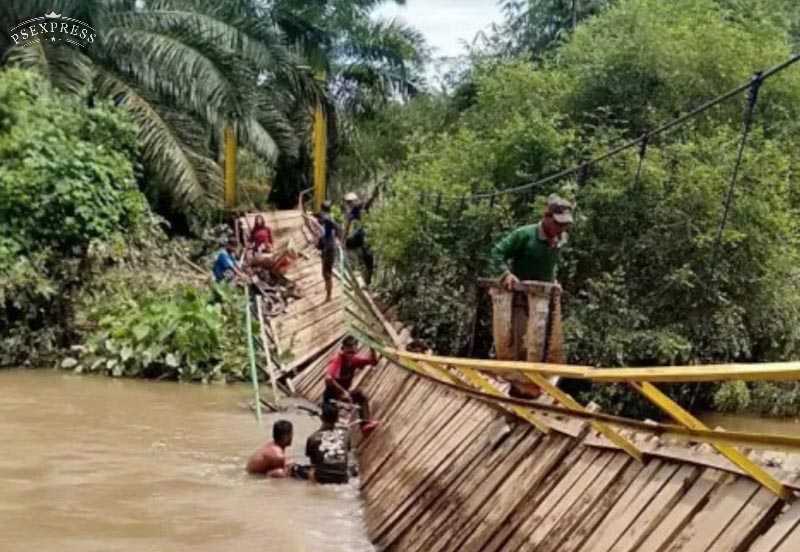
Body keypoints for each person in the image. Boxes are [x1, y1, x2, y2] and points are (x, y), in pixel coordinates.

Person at [488, 194, 574, 397]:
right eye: (557, 224)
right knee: (518, 342)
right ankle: (516, 388)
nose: (561, 229)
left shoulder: (560, 239)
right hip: (519, 299)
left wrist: (554, 280)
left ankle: (535, 387)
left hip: (544, 302)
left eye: (564, 226)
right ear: (546, 217)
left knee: (542, 344)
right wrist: (506, 274)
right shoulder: (524, 235)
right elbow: (496, 253)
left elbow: (550, 264)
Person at [302, 402, 351, 484]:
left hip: (323, 478)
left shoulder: (312, 438)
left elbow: (313, 466)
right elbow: (346, 455)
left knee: (295, 468)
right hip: (342, 478)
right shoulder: (346, 435)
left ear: (321, 417)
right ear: (337, 419)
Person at [323, 335, 378, 405]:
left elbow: (374, 362)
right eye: (348, 352)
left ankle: (367, 416)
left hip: (345, 394)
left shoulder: (354, 359)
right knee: (331, 412)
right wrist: (343, 392)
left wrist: (372, 347)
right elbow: (328, 378)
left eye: (352, 352)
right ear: (343, 349)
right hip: (332, 395)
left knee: (361, 396)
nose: (350, 355)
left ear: (356, 351)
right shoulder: (337, 359)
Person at [343, 190, 378, 287]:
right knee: (365, 259)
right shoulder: (352, 213)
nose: (349, 204)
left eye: (350, 202)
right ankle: (360, 276)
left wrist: (373, 196)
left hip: (366, 236)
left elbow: (367, 203)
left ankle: (367, 281)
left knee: (369, 260)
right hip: (361, 236)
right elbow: (347, 227)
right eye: (348, 202)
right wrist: (344, 239)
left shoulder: (360, 207)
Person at [316, 200, 341, 303]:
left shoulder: (328, 219)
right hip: (326, 247)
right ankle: (328, 292)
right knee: (325, 272)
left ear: (323, 210)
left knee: (327, 273)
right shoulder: (327, 218)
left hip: (329, 248)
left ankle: (329, 296)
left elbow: (337, 227)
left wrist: (339, 239)